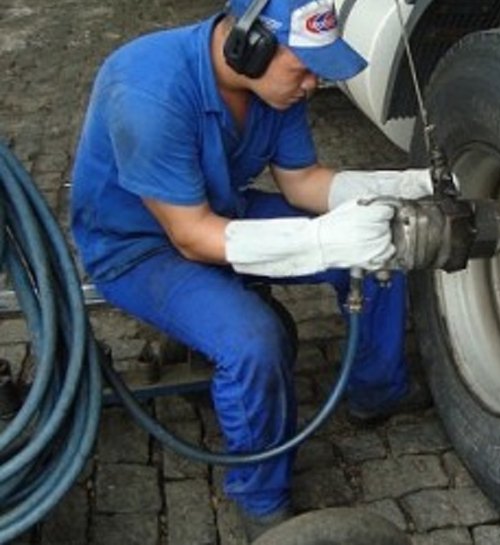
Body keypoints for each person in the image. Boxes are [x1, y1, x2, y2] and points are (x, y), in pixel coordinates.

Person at [70, 0, 432, 539]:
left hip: (219, 209)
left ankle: (377, 390)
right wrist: (318, 238)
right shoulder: (146, 88)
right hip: (142, 246)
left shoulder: (275, 86)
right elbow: (190, 237)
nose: (312, 85)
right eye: (304, 68)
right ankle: (260, 500)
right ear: (250, 45)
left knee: (380, 244)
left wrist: (390, 188)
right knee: (253, 342)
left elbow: (301, 179)